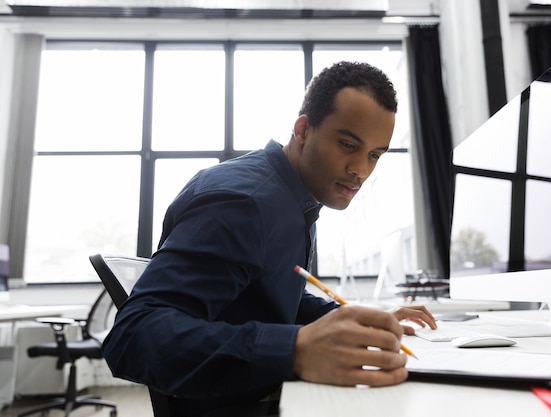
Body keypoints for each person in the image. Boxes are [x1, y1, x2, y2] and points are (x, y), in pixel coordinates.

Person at [102, 61, 437, 416]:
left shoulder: (297, 197)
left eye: (373, 155)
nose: (361, 170)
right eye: (347, 144)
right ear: (303, 129)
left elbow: (269, 294)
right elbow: (133, 338)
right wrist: (295, 349)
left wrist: (361, 321)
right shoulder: (244, 203)